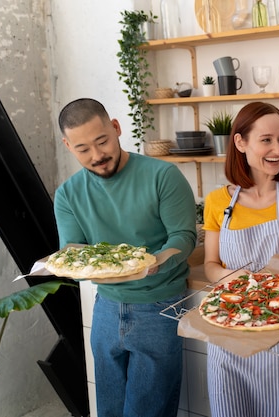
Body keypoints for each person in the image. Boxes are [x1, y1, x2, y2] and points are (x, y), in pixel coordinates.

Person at [55, 98, 198, 417]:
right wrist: (76, 262)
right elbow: (72, 249)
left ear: (116, 128)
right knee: (108, 409)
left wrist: (154, 263)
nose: (97, 156)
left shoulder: (163, 175)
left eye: (102, 141)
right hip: (105, 307)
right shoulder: (67, 194)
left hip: (160, 306)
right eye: (83, 149)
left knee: (149, 411)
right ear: (68, 146)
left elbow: (183, 237)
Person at [202, 101, 279, 417]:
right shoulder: (217, 201)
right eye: (266, 140)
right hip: (228, 332)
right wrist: (228, 278)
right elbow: (210, 264)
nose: (278, 148)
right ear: (240, 143)